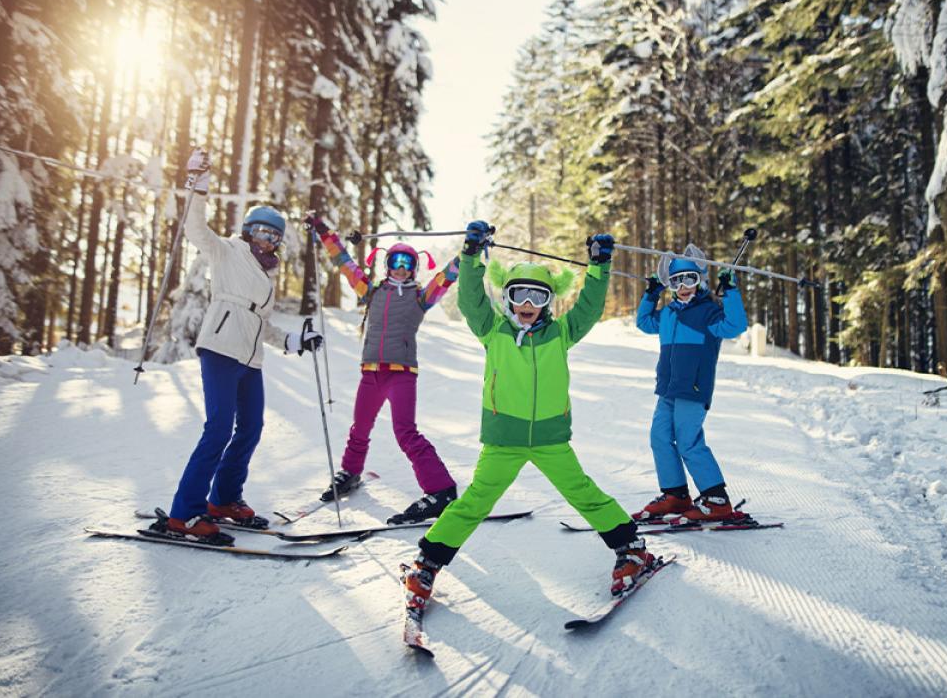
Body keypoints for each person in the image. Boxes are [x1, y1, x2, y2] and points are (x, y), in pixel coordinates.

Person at [401, 222, 658, 621]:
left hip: (551, 439)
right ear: (507, 297)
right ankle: (427, 563)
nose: (527, 303)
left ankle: (632, 549)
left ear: (548, 301)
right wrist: (470, 256)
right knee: (475, 502)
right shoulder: (493, 329)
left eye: (537, 295)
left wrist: (599, 267)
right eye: (518, 293)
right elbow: (471, 301)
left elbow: (589, 308)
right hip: (504, 439)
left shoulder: (561, 333)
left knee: (583, 493)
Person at [154, 149, 324, 546]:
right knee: (217, 429)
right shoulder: (227, 250)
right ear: (249, 230)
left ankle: (224, 499)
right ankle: (185, 513)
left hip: (251, 357)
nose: (268, 240)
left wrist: (295, 340)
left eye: (275, 236)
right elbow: (196, 229)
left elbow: (261, 322)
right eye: (263, 232)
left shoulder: (267, 276)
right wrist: (198, 183)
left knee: (250, 427)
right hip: (221, 348)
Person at [307, 217, 460, 524]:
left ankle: (441, 489)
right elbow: (345, 264)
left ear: (414, 268)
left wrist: (466, 253)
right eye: (395, 261)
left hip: (402, 373)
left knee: (405, 431)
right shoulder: (372, 291)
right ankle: (350, 472)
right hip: (371, 373)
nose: (401, 267)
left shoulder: (420, 296)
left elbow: (445, 278)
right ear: (387, 264)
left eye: (408, 262)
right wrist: (326, 234)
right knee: (359, 427)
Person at [632, 244, 750, 524]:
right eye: (676, 281)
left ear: (700, 280)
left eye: (690, 279)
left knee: (688, 442)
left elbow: (735, 325)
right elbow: (644, 323)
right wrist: (651, 294)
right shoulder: (669, 313)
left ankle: (717, 499)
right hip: (668, 389)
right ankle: (675, 494)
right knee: (659, 438)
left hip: (693, 390)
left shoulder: (708, 313)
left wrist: (730, 291)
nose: (683, 286)